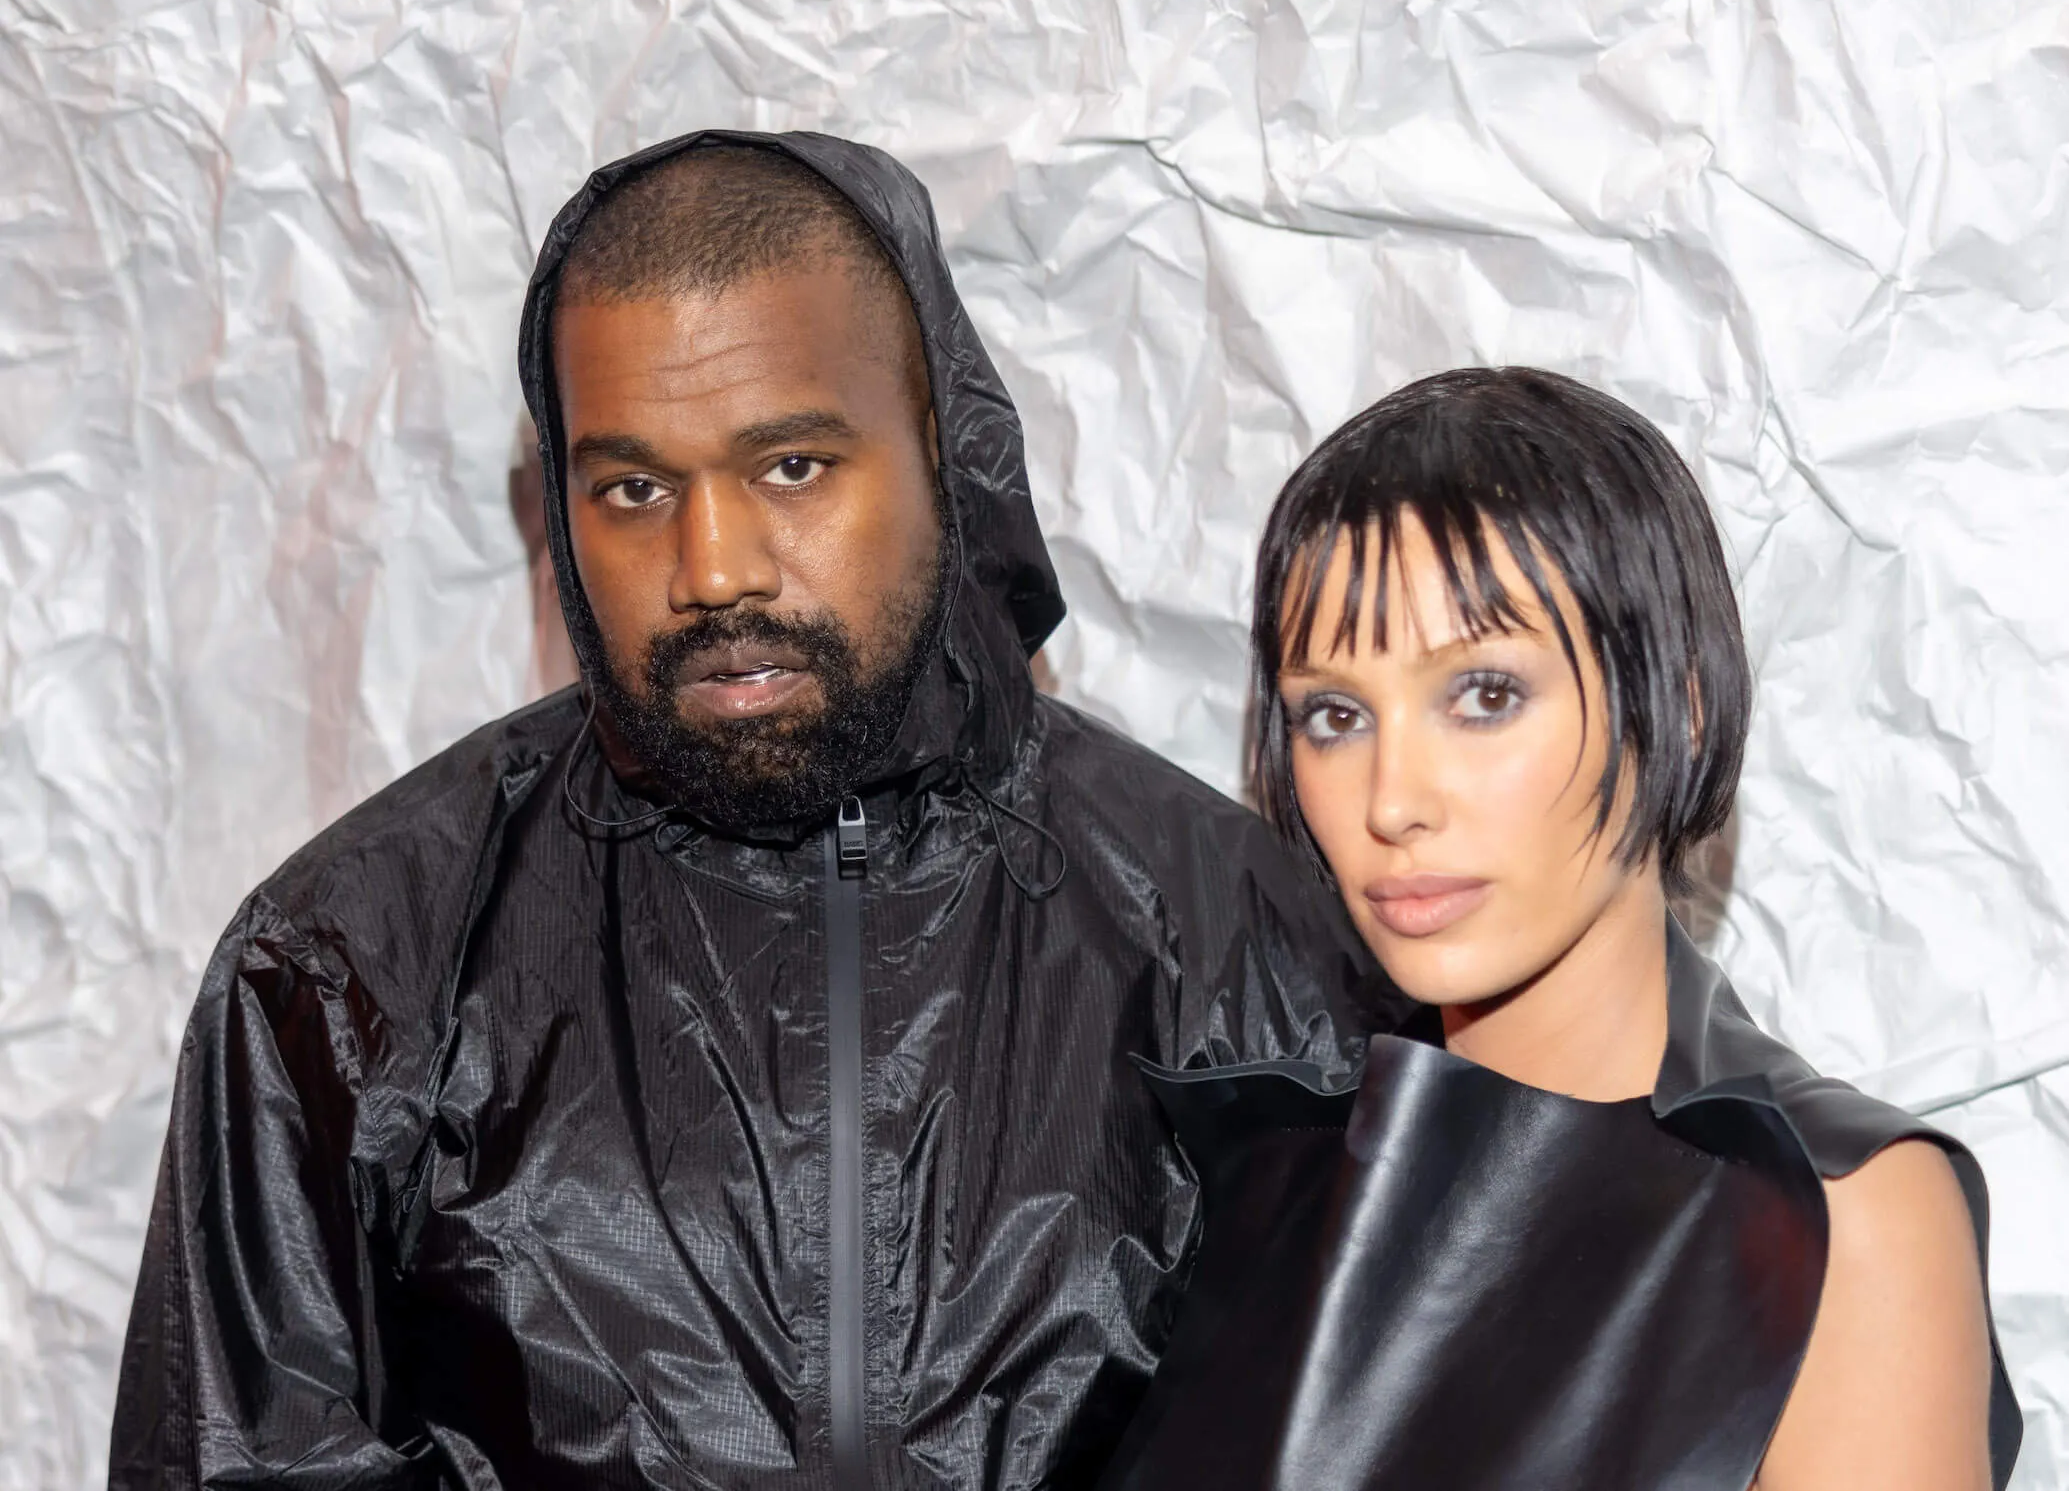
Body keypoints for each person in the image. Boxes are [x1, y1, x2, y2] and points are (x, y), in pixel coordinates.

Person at [108, 131, 1402, 1489]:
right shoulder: (350, 968)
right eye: (634, 490)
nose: (713, 569)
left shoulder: (1239, 940)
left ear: (944, 459)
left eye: (790, 467)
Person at [1098, 368, 2021, 1491]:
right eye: (1334, 715)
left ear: (1671, 707)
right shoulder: (1260, 1171)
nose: (1391, 799)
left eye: (1481, 694)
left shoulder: (1831, 1216)